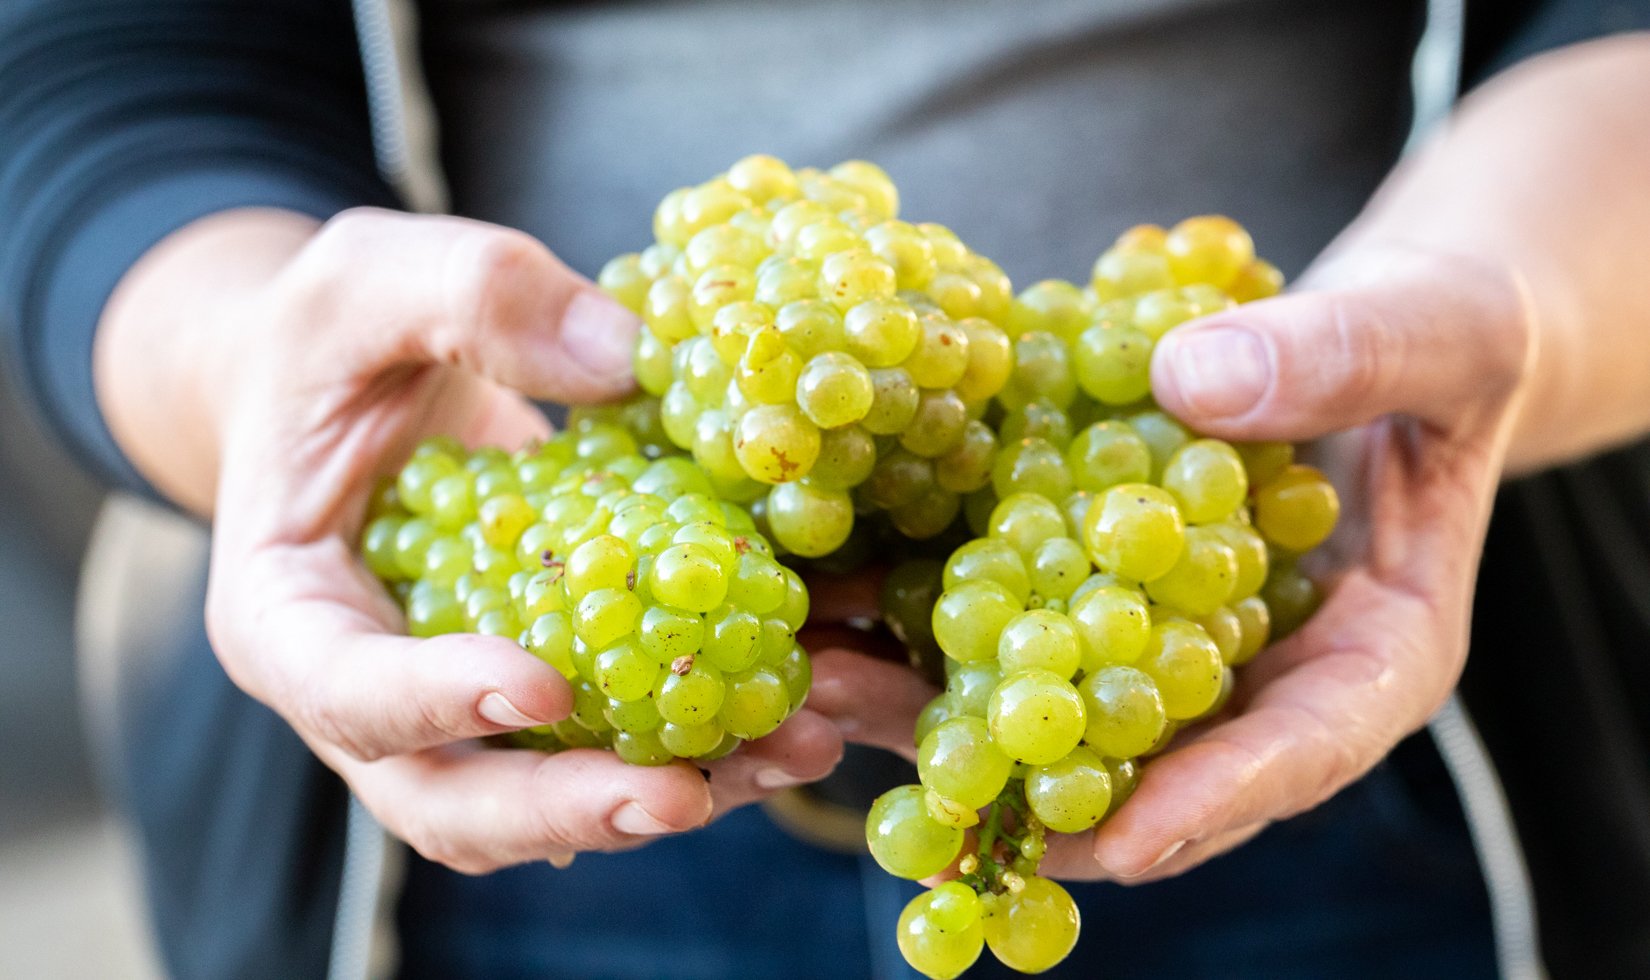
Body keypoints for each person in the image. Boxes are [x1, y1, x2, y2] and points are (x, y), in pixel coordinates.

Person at [3, 1, 1649, 977]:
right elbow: (88, 74)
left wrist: (1517, 302)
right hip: (507, 785)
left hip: (1363, 715)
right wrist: (255, 373)